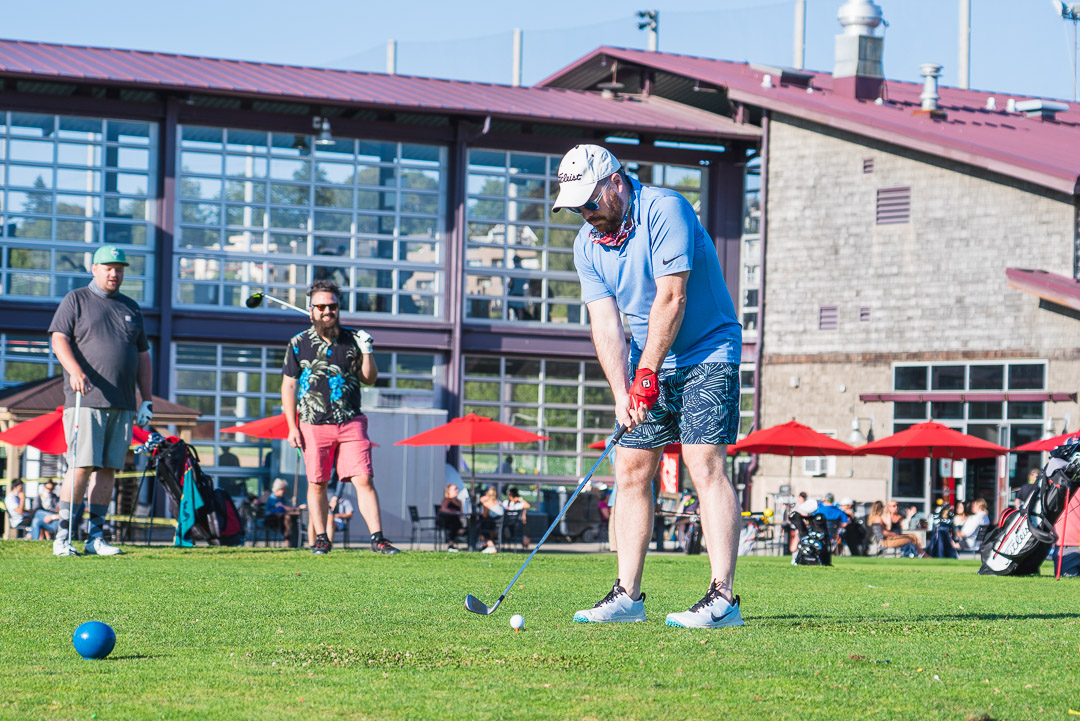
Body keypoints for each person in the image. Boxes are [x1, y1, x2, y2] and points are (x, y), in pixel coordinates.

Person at [557, 144, 744, 628]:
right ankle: (628, 596)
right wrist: (622, 391)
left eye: (590, 202)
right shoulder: (587, 244)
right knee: (632, 470)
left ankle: (722, 599)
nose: (585, 213)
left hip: (707, 348)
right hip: (647, 358)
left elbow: (672, 296)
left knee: (704, 464)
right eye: (576, 206)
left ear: (615, 183)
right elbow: (605, 323)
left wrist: (646, 374)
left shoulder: (665, 208)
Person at [48, 244, 153, 556]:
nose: (114, 272)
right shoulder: (76, 299)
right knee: (81, 466)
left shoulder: (131, 307)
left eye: (119, 268)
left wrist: (145, 400)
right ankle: (63, 539)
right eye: (108, 267)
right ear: (93, 268)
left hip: (122, 403)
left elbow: (142, 356)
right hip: (86, 400)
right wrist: (75, 371)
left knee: (108, 469)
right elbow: (58, 339)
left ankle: (95, 538)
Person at [282, 279, 399, 556]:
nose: (327, 311)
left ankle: (378, 539)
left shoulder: (353, 340)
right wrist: (291, 427)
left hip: (351, 421)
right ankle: (321, 539)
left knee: (363, 478)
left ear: (338, 308)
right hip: (312, 422)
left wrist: (367, 350)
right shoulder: (298, 343)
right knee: (317, 482)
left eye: (331, 306)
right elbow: (289, 385)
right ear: (311, 310)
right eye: (320, 306)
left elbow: (369, 379)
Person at [265, 477, 297, 542]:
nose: (285, 491)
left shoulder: (281, 498)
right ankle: (288, 536)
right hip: (271, 520)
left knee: (291, 521)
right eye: (283, 489)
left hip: (280, 520)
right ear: (278, 489)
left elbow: (285, 508)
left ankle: (289, 540)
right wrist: (296, 509)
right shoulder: (272, 498)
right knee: (287, 519)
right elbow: (283, 508)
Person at [437, 482, 464, 551]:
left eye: (457, 489)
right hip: (446, 522)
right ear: (449, 491)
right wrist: (453, 512)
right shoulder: (446, 500)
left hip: (456, 521)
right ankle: (451, 544)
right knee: (453, 521)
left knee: (455, 521)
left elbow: (461, 513)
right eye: (455, 489)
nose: (457, 491)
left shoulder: (459, 502)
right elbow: (443, 509)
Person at [477, 485, 504, 553]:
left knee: (480, 525)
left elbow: (484, 515)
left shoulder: (487, 503)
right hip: (501, 527)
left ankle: (490, 546)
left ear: (487, 494)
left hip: (493, 528)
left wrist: (482, 502)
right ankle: (486, 545)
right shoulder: (499, 502)